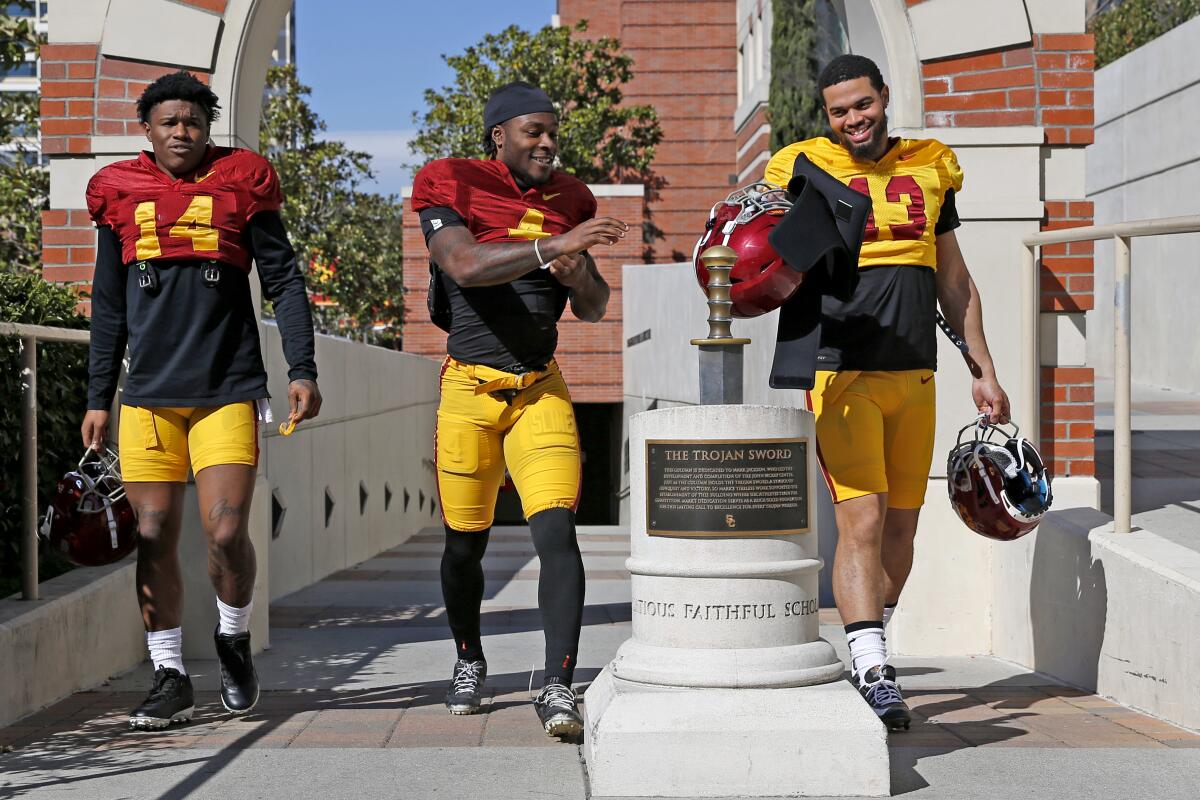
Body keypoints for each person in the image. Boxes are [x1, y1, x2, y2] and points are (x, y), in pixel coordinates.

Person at [763, 54, 1010, 730]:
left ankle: (866, 642)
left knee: (903, 527)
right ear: (827, 115)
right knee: (862, 521)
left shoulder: (932, 163)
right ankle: (875, 667)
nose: (852, 120)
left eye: (861, 105)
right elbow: (756, 243)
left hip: (914, 371)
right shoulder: (801, 164)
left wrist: (983, 370)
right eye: (839, 111)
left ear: (884, 97)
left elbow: (955, 282)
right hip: (839, 371)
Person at [81, 71, 322, 729]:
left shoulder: (243, 181)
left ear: (207, 127)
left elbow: (285, 282)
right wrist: (99, 394)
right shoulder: (119, 192)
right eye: (169, 122)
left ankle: (233, 635)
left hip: (226, 389)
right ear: (148, 131)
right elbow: (107, 305)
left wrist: (302, 367)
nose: (181, 132)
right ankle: (169, 674)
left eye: (192, 121)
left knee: (225, 532)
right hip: (149, 396)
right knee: (153, 534)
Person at [409, 81, 627, 738]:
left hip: (538, 385)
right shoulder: (449, 180)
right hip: (469, 390)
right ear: (499, 135)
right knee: (463, 545)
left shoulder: (573, 199)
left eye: (553, 131)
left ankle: (558, 684)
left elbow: (592, 306)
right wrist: (553, 248)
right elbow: (465, 267)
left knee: (557, 533)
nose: (547, 142)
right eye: (533, 131)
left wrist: (578, 272)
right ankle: (469, 658)